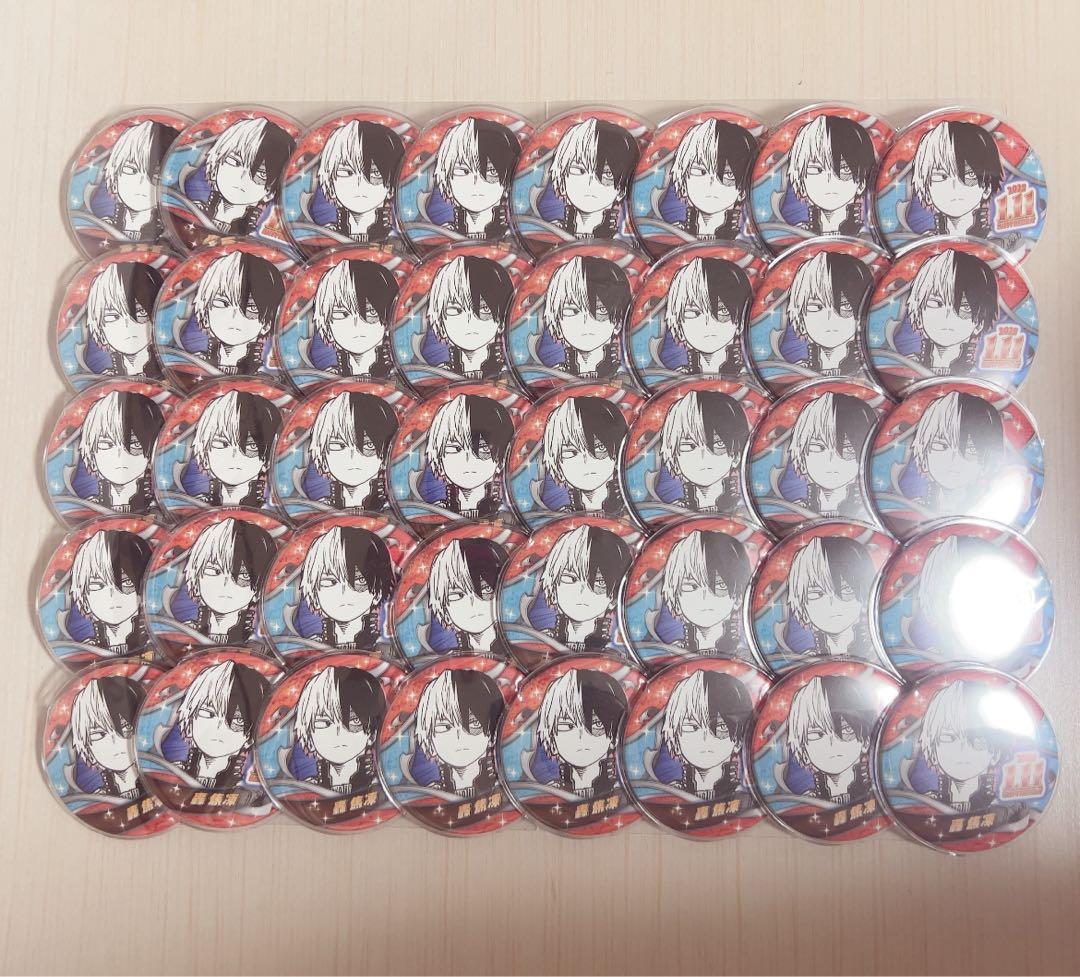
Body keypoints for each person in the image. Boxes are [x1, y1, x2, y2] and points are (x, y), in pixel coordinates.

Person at [917, 680, 1015, 814]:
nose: (962, 750)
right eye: (949, 737)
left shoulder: (1000, 810)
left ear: (995, 754)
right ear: (933, 751)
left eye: (977, 740)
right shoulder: (925, 805)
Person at [175, 660, 270, 790]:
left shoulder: (249, 787)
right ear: (190, 716)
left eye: (237, 720)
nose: (218, 728)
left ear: (251, 735)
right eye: (208, 713)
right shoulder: (171, 772)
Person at [660, 670, 753, 801]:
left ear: (738, 740)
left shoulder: (745, 797)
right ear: (675, 735)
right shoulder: (667, 795)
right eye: (692, 727)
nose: (705, 738)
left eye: (720, 726)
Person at [298, 525, 396, 650]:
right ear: (314, 594)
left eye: (359, 580)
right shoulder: (308, 649)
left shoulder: (386, 648)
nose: (344, 592)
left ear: (378, 593)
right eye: (330, 581)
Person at [538, 524, 632, 653]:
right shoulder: (539, 641)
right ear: (553, 587)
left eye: (599, 582)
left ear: (614, 599)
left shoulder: (617, 651)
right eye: (571, 578)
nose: (582, 592)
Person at [195, 117, 295, 236]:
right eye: (235, 162)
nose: (242, 177)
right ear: (215, 163)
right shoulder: (193, 211)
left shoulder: (257, 236)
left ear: (270, 192)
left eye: (261, 173)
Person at [182, 518, 275, 646]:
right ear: (196, 576)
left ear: (259, 588)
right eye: (214, 571)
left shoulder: (258, 646)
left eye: (243, 575)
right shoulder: (182, 634)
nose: (225, 584)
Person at [905, 250, 997, 376]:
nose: (947, 316)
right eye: (936, 303)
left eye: (964, 307)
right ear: (919, 315)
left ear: (979, 323)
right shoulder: (905, 366)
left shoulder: (980, 375)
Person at [191, 251, 284, 376]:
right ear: (205, 312)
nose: (234, 316)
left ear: (267, 324)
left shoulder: (266, 376)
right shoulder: (192, 364)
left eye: (251, 307)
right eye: (223, 303)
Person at [536, 668, 626, 797]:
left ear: (613, 736)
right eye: (568, 725)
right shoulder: (549, 794)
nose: (581, 736)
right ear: (551, 736)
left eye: (596, 724)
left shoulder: (622, 791)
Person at [294, 665, 384, 793]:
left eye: (354, 720)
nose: (338, 733)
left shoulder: (381, 786)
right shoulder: (305, 791)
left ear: (372, 734)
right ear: (308, 734)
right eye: (325, 722)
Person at [787, 675, 874, 804]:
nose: (832, 743)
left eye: (846, 730)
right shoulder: (807, 803)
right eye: (817, 734)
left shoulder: (877, 793)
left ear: (866, 741)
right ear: (803, 749)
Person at [660, 530, 750, 655]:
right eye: (691, 586)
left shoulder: (745, 656)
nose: (705, 596)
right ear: (675, 596)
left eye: (720, 585)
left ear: (737, 598)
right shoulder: (670, 655)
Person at [414, 669, 502, 796]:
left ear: (491, 730)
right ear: (429, 736)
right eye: (445, 726)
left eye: (473, 723)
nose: (459, 736)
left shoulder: (502, 788)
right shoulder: (431, 795)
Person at [788, 392, 877, 517]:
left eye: (847, 448)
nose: (831, 460)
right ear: (801, 453)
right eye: (818, 447)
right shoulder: (793, 512)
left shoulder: (871, 510)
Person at [909, 390, 1003, 509]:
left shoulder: (991, 506)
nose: (953, 460)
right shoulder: (914, 508)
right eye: (941, 445)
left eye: (970, 449)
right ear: (924, 450)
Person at [541, 255, 631, 379]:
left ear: (618, 323)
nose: (586, 321)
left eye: (601, 309)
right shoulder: (551, 378)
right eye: (572, 310)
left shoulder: (625, 378)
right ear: (557, 321)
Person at [425, 255, 513, 379]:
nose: (469, 320)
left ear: (501, 321)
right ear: (441, 321)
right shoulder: (437, 376)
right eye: (455, 310)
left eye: (484, 309)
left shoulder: (509, 376)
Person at [658, 390, 748, 513]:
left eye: (718, 443)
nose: (703, 456)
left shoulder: (746, 509)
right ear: (674, 457)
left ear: (736, 455)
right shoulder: (671, 512)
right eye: (689, 446)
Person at [426, 394, 514, 518]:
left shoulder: (507, 514)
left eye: (482, 448)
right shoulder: (436, 513)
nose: (467, 460)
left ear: (501, 459)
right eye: (455, 448)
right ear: (439, 457)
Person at [787, 251, 874, 376]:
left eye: (845, 306)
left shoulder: (870, 370)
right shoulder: (795, 373)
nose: (830, 318)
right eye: (816, 307)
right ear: (800, 314)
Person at [787, 536, 875, 659]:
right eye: (817, 593)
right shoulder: (803, 661)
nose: (832, 604)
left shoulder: (875, 653)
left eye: (846, 590)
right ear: (801, 602)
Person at [189, 389, 282, 507]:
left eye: (251, 446)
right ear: (205, 452)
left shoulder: (271, 508)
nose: (234, 455)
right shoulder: (194, 506)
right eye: (223, 444)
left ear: (267, 460)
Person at [316, 119, 404, 243]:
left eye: (375, 173)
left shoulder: (397, 240)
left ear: (391, 187)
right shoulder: (323, 237)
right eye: (347, 172)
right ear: (330, 183)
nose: (359, 183)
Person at [669, 118, 757, 240]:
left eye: (728, 174)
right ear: (683, 180)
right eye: (701, 171)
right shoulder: (670, 235)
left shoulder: (746, 239)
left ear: (742, 191)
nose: (712, 183)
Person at [549, 118, 639, 238]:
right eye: (579, 170)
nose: (590, 183)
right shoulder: (550, 233)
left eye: (607, 174)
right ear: (562, 178)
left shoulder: (623, 240)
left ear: (622, 190)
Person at [310, 258, 399, 379]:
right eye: (342, 313)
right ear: (326, 321)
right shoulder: (327, 378)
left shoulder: (398, 377)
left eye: (371, 312)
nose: (356, 324)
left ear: (388, 319)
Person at [663, 256, 752, 376]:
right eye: (694, 313)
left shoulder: (747, 377)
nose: (708, 323)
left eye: (722, 311)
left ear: (739, 322)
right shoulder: (677, 378)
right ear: (678, 322)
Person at [309, 391, 397, 511]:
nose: (352, 456)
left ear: (385, 454)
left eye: (368, 445)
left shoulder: (393, 511)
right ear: (322, 453)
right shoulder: (317, 510)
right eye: (338, 445)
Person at [788, 115, 875, 236]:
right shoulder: (796, 235)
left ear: (862, 182)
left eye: (844, 169)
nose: (829, 180)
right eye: (817, 169)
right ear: (801, 182)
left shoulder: (868, 237)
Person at [433, 118, 520, 240]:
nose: (476, 183)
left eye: (491, 171)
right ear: (446, 177)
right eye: (464, 171)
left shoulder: (514, 236)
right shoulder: (441, 235)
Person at [912, 120, 1002, 238]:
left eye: (969, 174)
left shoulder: (997, 242)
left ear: (986, 187)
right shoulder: (924, 243)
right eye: (942, 176)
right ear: (926, 191)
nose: (955, 186)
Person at [70, 529, 152, 656]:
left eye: (126, 582)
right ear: (84, 594)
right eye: (98, 585)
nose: (112, 596)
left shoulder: (154, 642)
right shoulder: (86, 652)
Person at [79, 390, 163, 513]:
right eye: (106, 444)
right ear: (91, 453)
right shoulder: (85, 509)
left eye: (135, 444)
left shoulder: (158, 510)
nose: (120, 456)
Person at [541, 396, 627, 514]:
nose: (586, 461)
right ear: (556, 462)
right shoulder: (561, 515)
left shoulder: (629, 508)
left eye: (600, 447)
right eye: (571, 452)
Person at [84, 262, 164, 378]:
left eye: (140, 312)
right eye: (113, 316)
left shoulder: (172, 366)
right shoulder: (106, 379)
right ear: (100, 329)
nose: (128, 325)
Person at [101, 119, 178, 241]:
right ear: (115, 175)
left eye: (156, 175)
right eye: (131, 170)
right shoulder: (102, 228)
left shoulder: (172, 233)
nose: (142, 183)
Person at [428, 538, 508, 653]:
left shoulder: (519, 647)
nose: (473, 603)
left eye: (485, 589)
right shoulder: (450, 659)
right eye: (457, 595)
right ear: (444, 609)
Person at [70, 675, 143, 799]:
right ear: (86, 745)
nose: (115, 742)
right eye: (99, 734)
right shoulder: (98, 799)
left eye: (125, 729)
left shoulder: (160, 777)